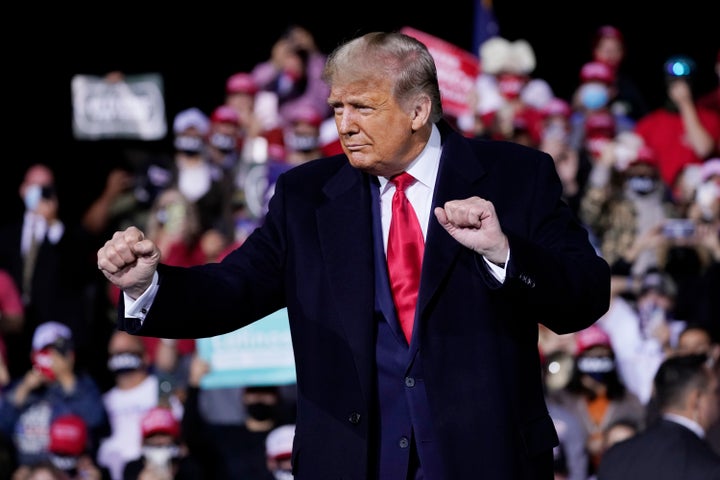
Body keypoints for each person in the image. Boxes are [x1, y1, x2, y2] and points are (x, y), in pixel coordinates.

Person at [97, 31, 611, 479]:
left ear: (418, 110)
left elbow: (586, 295)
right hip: (351, 461)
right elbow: (233, 289)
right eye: (337, 108)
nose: (344, 124)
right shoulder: (306, 197)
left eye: (362, 107)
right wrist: (148, 285)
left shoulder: (516, 177)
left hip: (488, 459)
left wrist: (504, 252)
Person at [596, 353, 720, 479]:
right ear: (697, 399)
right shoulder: (708, 465)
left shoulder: (616, 455)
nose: (717, 399)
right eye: (715, 391)